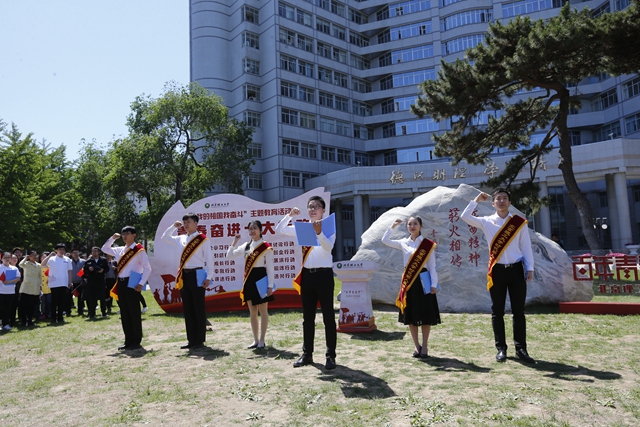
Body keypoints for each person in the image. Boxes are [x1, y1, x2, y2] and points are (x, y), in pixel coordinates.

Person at [461, 188, 535, 364]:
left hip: (516, 269)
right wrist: (476, 200)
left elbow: (526, 246)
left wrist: (530, 267)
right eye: (498, 199)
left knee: (518, 311)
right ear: (493, 203)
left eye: (505, 198)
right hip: (497, 271)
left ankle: (521, 349)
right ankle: (501, 348)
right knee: (497, 311)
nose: (501, 201)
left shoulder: (518, 223)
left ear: (510, 202)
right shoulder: (487, 222)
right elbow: (465, 216)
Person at [275, 195, 337, 370]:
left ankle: (330, 356)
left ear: (323, 210)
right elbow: (280, 229)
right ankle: (307, 354)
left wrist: (319, 232)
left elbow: (328, 247)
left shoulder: (328, 226)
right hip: (308, 275)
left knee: (328, 317)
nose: (313, 209)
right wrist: (289, 215)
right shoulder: (302, 228)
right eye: (310, 206)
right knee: (307, 318)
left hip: (324, 276)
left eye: (316, 206)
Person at [382, 216, 441, 358]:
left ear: (421, 226)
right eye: (409, 224)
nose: (412, 226)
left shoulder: (427, 244)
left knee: (426, 314)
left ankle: (425, 345)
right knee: (411, 314)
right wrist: (393, 226)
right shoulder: (403, 242)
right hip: (409, 282)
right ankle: (416, 345)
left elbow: (432, 266)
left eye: (415, 223)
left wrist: (434, 284)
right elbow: (385, 240)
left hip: (424, 280)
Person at [161, 213, 213, 350]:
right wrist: (173, 227)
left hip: (198, 274)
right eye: (184, 222)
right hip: (184, 275)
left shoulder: (202, 240)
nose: (186, 225)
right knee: (188, 309)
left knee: (198, 308)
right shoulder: (181, 238)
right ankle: (191, 340)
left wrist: (209, 277)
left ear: (196, 223)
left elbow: (210, 260)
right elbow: (165, 238)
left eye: (188, 222)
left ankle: (199, 340)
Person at [102, 226, 152, 351]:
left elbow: (147, 268)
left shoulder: (139, 250)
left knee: (134, 313)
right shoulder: (120, 250)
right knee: (124, 313)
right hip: (121, 283)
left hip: (133, 283)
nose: (124, 236)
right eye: (123, 234)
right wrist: (113, 238)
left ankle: (136, 340)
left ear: (134, 235)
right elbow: (104, 249)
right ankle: (128, 340)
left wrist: (141, 283)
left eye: (127, 234)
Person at [227, 220, 275, 349]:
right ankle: (255, 340)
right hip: (249, 279)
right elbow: (229, 256)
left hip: (261, 278)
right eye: (250, 229)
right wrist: (234, 242)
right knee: (253, 311)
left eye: (255, 228)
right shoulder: (246, 246)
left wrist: (270, 285)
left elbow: (270, 268)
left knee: (263, 311)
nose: (252, 231)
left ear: (261, 230)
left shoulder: (265, 247)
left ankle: (262, 340)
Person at [41, 244, 73, 324]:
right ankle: (53, 318)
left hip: (64, 283)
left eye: (63, 249)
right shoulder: (52, 259)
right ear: (56, 250)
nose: (61, 251)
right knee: (54, 302)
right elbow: (43, 264)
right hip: (54, 283)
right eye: (60, 249)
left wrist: (70, 281)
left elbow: (69, 271)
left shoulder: (67, 259)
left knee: (62, 301)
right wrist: (49, 256)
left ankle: (60, 317)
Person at [83, 247, 110, 319]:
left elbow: (107, 269)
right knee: (92, 298)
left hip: (101, 281)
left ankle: (104, 313)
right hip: (91, 282)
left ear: (99, 252)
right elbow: (84, 272)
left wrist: (103, 270)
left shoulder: (103, 260)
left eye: (95, 251)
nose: (94, 252)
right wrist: (89, 270)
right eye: (93, 251)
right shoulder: (88, 261)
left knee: (102, 298)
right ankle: (92, 314)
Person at [18, 251, 42, 326]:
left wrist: (40, 285)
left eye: (36, 255)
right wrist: (25, 258)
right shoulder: (26, 264)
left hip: (35, 288)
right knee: (24, 305)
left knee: (32, 306)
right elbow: (20, 264)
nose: (34, 256)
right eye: (32, 255)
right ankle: (24, 321)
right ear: (29, 256)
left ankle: (30, 320)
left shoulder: (39, 265)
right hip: (27, 288)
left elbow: (40, 276)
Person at [0, 252, 21, 330]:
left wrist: (9, 282)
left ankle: (6, 324)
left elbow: (18, 278)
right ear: (1, 258)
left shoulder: (14, 268)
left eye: (8, 257)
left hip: (10, 291)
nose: (7, 259)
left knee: (8, 308)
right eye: (5, 257)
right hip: (0, 291)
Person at [70, 250, 86, 316]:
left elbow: (85, 270)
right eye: (74, 253)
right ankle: (68, 311)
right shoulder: (69, 262)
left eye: (76, 253)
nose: (75, 254)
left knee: (80, 298)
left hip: (80, 282)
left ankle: (80, 311)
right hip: (71, 282)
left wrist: (81, 277)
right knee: (69, 297)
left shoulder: (83, 261)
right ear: (71, 254)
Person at [39, 252, 52, 320]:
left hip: (49, 287)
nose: (44, 258)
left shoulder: (50, 266)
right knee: (43, 302)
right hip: (41, 287)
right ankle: (43, 313)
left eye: (45, 257)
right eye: (42, 257)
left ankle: (49, 313)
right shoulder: (39, 266)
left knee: (49, 301)